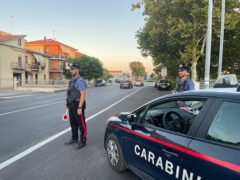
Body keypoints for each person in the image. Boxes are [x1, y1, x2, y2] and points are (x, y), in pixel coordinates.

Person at [65, 63, 87, 149]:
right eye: (70, 70)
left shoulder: (80, 81)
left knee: (81, 124)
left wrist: (80, 107)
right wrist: (67, 103)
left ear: (77, 70)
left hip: (78, 104)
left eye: (73, 69)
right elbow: (69, 92)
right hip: (71, 104)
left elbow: (83, 94)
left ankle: (83, 140)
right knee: (73, 123)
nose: (71, 71)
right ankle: (74, 138)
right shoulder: (71, 81)